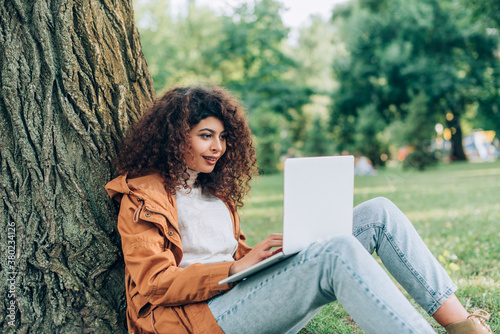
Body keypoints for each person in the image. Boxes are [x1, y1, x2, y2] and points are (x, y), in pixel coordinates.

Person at [105, 85, 492, 334]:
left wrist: (265, 256)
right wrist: (235, 268)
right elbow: (154, 284)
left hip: (240, 300)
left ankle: (465, 328)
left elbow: (228, 255)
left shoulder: (213, 190)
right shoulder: (143, 196)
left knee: (378, 213)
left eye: (222, 137)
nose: (217, 147)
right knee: (336, 252)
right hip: (197, 322)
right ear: (175, 137)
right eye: (205, 136)